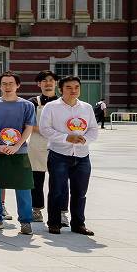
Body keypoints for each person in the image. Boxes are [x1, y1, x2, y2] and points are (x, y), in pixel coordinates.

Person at [0, 71, 37, 235]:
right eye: (4, 83)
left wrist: (17, 145)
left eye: (11, 83)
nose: (7, 86)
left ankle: (26, 221)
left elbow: (29, 128)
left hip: (19, 152)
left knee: (23, 186)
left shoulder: (27, 105)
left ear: (18, 85)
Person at [39, 76, 98, 236]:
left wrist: (85, 140)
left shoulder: (86, 108)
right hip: (59, 154)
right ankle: (54, 223)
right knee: (57, 190)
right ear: (61, 89)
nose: (73, 91)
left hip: (82, 155)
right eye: (69, 88)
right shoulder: (51, 107)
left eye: (76, 87)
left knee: (80, 192)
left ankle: (78, 224)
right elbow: (45, 129)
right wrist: (66, 138)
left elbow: (93, 129)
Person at [29, 72, 58, 224]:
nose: (48, 83)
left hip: (58, 145)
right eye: (44, 81)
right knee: (36, 180)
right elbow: (27, 124)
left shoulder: (62, 102)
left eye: (51, 80)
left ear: (56, 83)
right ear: (39, 84)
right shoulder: (33, 102)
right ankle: (36, 210)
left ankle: (60, 213)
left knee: (58, 181)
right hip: (36, 145)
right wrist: (46, 130)